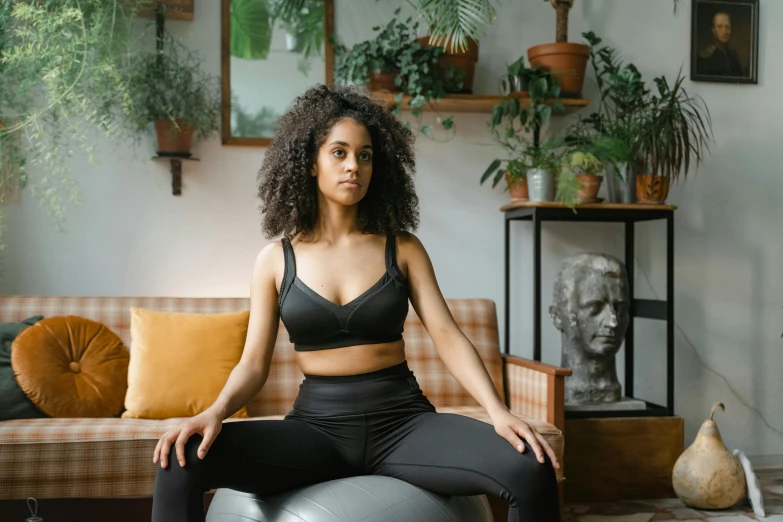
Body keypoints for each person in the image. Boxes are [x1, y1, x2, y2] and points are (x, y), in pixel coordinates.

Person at [150, 83, 561, 522]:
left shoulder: (402, 248)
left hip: (405, 424)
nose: (354, 167)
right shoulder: (275, 260)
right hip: (316, 430)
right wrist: (214, 413)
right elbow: (253, 365)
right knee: (180, 461)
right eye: (339, 153)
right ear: (310, 162)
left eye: (365, 155)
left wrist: (498, 413)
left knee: (530, 469)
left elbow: (448, 337)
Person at [697, 10, 743, 77]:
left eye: (727, 27)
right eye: (720, 27)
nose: (725, 31)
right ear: (713, 30)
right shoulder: (705, 56)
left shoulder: (734, 56)